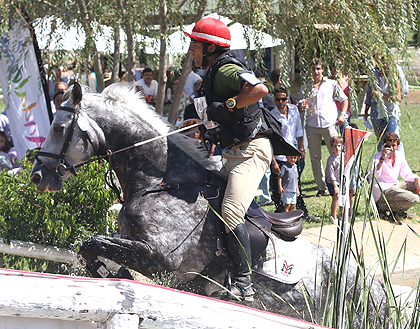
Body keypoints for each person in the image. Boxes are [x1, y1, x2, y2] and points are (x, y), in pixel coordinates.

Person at [185, 17, 299, 301]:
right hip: (234, 152)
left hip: (251, 151)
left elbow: (260, 90)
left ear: (210, 47)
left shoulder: (224, 67)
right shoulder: (213, 73)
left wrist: (230, 104)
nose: (191, 50)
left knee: (232, 211)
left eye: (194, 44)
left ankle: (244, 285)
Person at [298, 58, 349, 197]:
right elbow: (300, 106)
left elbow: (344, 99)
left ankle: (340, 182)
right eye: (314, 69)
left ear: (323, 70)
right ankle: (321, 187)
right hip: (312, 125)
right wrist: (301, 107)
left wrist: (342, 115)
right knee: (315, 157)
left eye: (318, 69)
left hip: (329, 124)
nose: (316, 72)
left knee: (336, 153)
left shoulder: (331, 84)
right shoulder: (306, 87)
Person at [269, 88, 307, 215]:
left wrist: (301, 148)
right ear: (275, 100)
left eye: (283, 99)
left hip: (292, 153)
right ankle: (280, 212)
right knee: (278, 185)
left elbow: (299, 130)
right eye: (278, 99)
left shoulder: (294, 110)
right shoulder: (272, 114)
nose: (281, 102)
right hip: (279, 154)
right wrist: (273, 160)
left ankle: (300, 210)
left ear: (287, 99)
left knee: (295, 182)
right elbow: (271, 138)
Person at [370, 132, 419, 221]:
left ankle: (396, 210)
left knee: (416, 185)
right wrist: (382, 158)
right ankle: (384, 207)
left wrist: (417, 179)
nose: (391, 148)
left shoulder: (399, 156)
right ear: (384, 145)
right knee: (415, 199)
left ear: (397, 146)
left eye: (394, 145)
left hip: (394, 185)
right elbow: (373, 175)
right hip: (382, 189)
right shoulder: (378, 156)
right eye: (389, 145)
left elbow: (407, 174)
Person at [325, 135, 344, 223]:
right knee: (336, 197)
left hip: (342, 181)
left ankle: (343, 215)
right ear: (331, 147)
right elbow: (330, 174)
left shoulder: (343, 156)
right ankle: (333, 216)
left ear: (342, 146)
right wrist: (335, 186)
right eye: (335, 146)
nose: (337, 148)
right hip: (332, 182)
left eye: (339, 146)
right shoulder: (331, 159)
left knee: (343, 198)